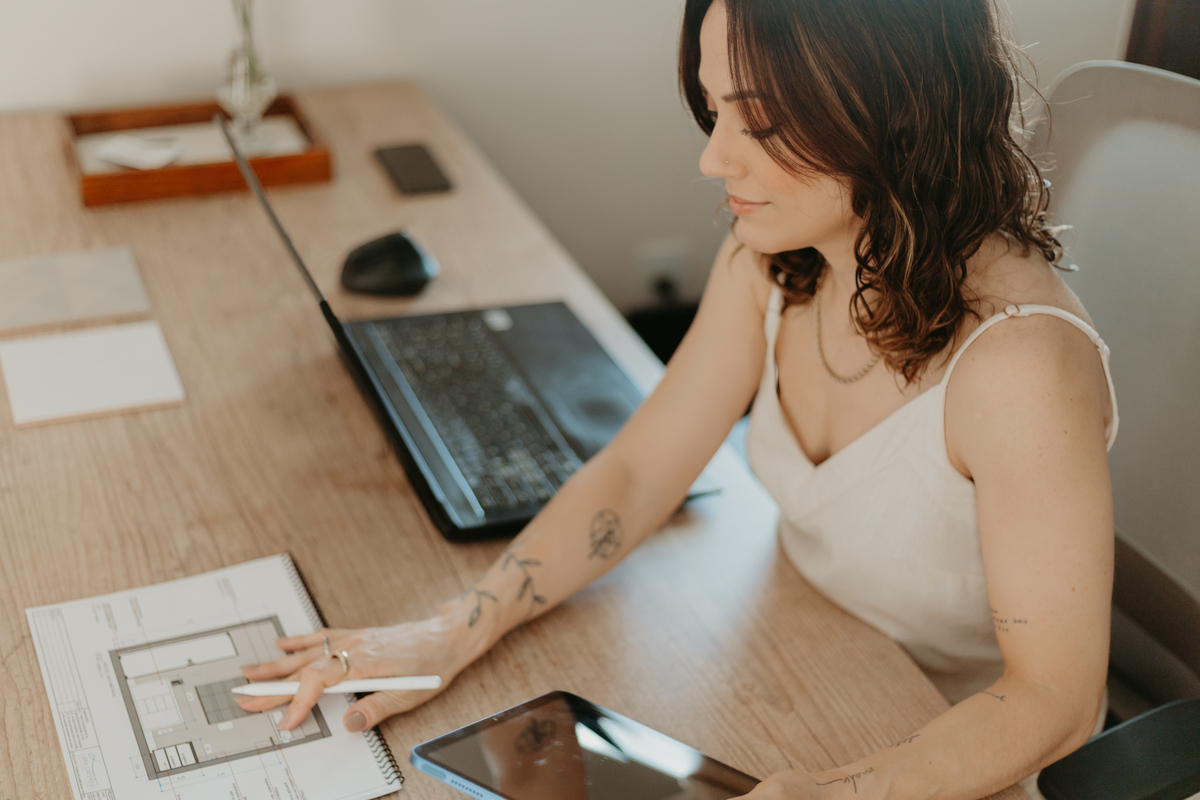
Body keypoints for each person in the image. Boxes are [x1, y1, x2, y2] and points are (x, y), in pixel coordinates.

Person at [239, 0, 1118, 796]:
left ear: (893, 107)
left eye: (761, 121)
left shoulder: (1020, 365)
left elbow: (1053, 698)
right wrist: (451, 633)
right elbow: (636, 473)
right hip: (794, 654)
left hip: (944, 752)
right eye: (714, 109)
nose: (711, 157)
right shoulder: (781, 257)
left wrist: (847, 794)